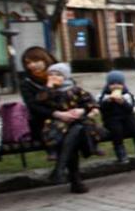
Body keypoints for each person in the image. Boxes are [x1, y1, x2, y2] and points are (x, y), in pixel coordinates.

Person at [32, 62, 100, 194]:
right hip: (60, 124)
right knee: (74, 133)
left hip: (79, 121)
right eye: (50, 74)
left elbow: (90, 103)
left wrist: (82, 110)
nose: (53, 76)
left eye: (57, 74)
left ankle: (60, 169)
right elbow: (40, 102)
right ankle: (71, 177)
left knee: (79, 128)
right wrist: (49, 87)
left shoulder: (75, 89)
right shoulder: (49, 91)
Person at [98, 70, 135, 165]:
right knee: (117, 132)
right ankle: (121, 154)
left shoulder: (127, 95)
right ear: (108, 85)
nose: (116, 86)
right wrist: (109, 101)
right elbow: (101, 108)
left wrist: (123, 103)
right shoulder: (104, 96)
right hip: (112, 119)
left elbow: (132, 109)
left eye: (119, 83)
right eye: (112, 84)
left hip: (128, 117)